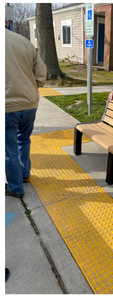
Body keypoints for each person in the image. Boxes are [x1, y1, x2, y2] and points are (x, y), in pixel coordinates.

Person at [5, 26, 47, 199]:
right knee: (24, 140)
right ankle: (24, 174)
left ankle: (15, 188)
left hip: (7, 106)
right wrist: (31, 87)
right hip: (30, 104)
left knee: (9, 149)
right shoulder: (24, 42)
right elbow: (41, 74)